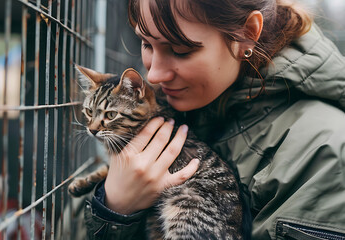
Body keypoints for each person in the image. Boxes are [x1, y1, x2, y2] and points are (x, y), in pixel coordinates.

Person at [83, 0, 345, 239]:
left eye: (180, 49)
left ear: (247, 34)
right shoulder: (163, 104)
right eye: (146, 44)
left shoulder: (325, 152)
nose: (154, 76)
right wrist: (113, 207)